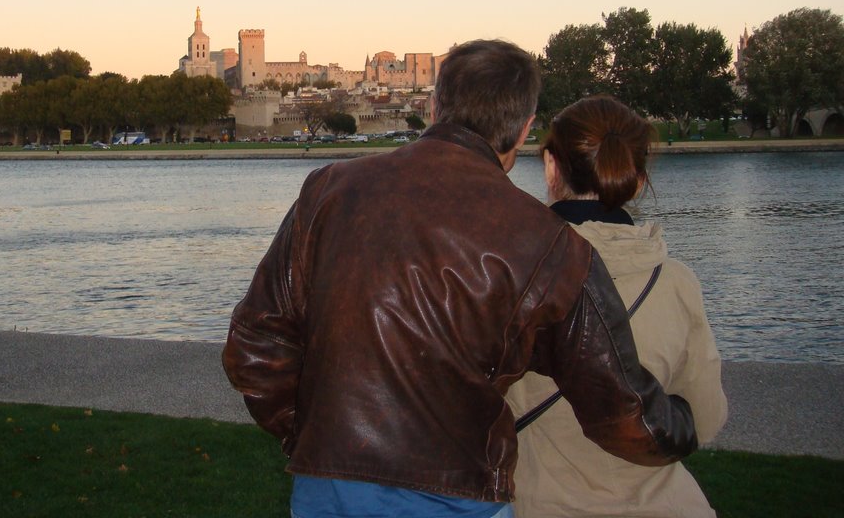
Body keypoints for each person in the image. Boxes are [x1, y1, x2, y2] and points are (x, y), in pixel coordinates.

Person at [223, 39, 698, 518]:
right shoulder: (548, 243)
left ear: (433, 108)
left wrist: (316, 437)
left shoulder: (329, 190)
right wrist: (684, 423)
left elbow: (256, 347)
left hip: (328, 492)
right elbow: (620, 406)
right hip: (456, 496)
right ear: (524, 129)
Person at [507, 95, 727, 518]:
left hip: (542, 503)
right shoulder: (677, 283)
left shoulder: (511, 276)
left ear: (551, 167)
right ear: (637, 179)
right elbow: (705, 416)